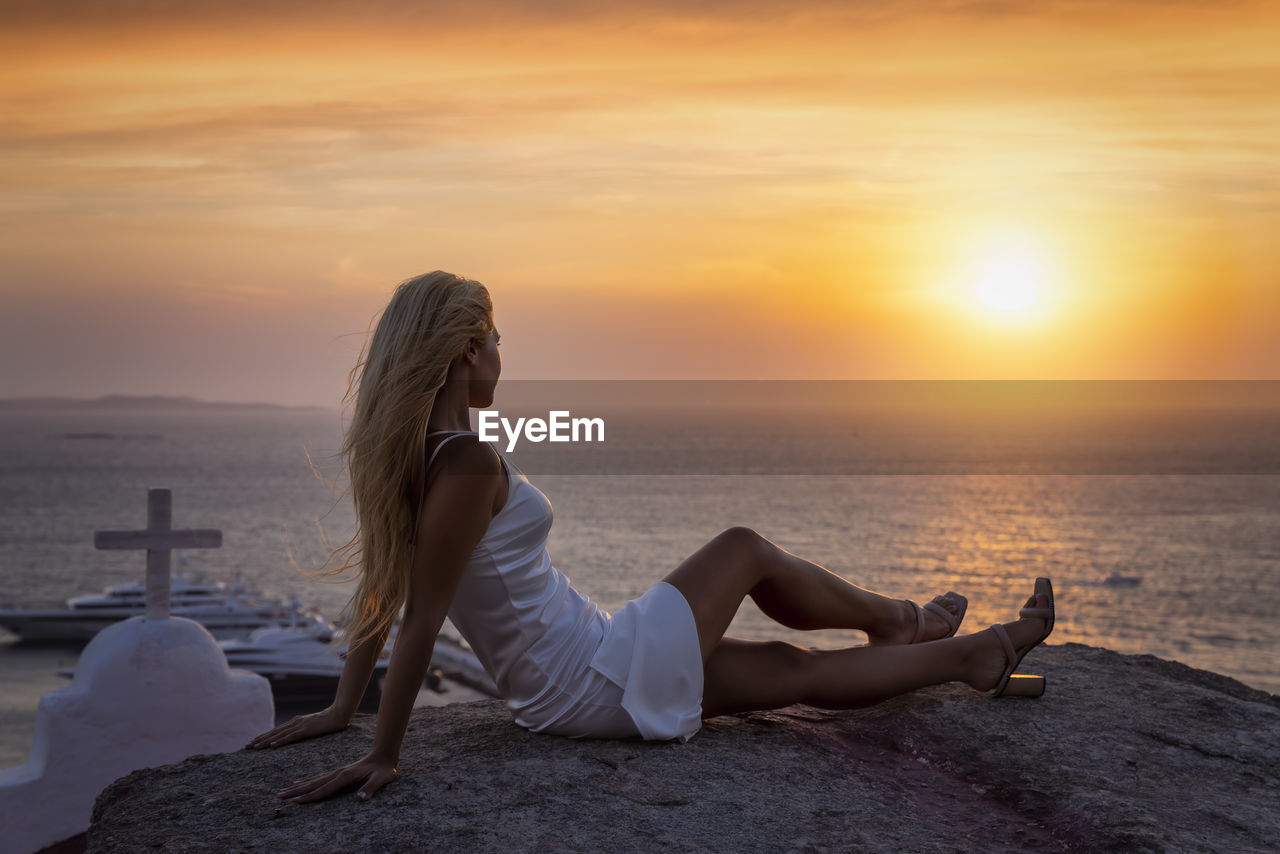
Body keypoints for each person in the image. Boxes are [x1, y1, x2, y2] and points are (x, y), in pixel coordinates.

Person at [247, 271, 1055, 803]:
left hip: (582, 669)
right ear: (467, 351)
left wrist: (346, 706)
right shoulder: (462, 461)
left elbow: (386, 592)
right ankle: (900, 618)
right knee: (742, 546)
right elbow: (417, 617)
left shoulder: (427, 460)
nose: (502, 356)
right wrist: (383, 754)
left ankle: (969, 656)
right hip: (587, 675)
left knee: (789, 671)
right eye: (495, 341)